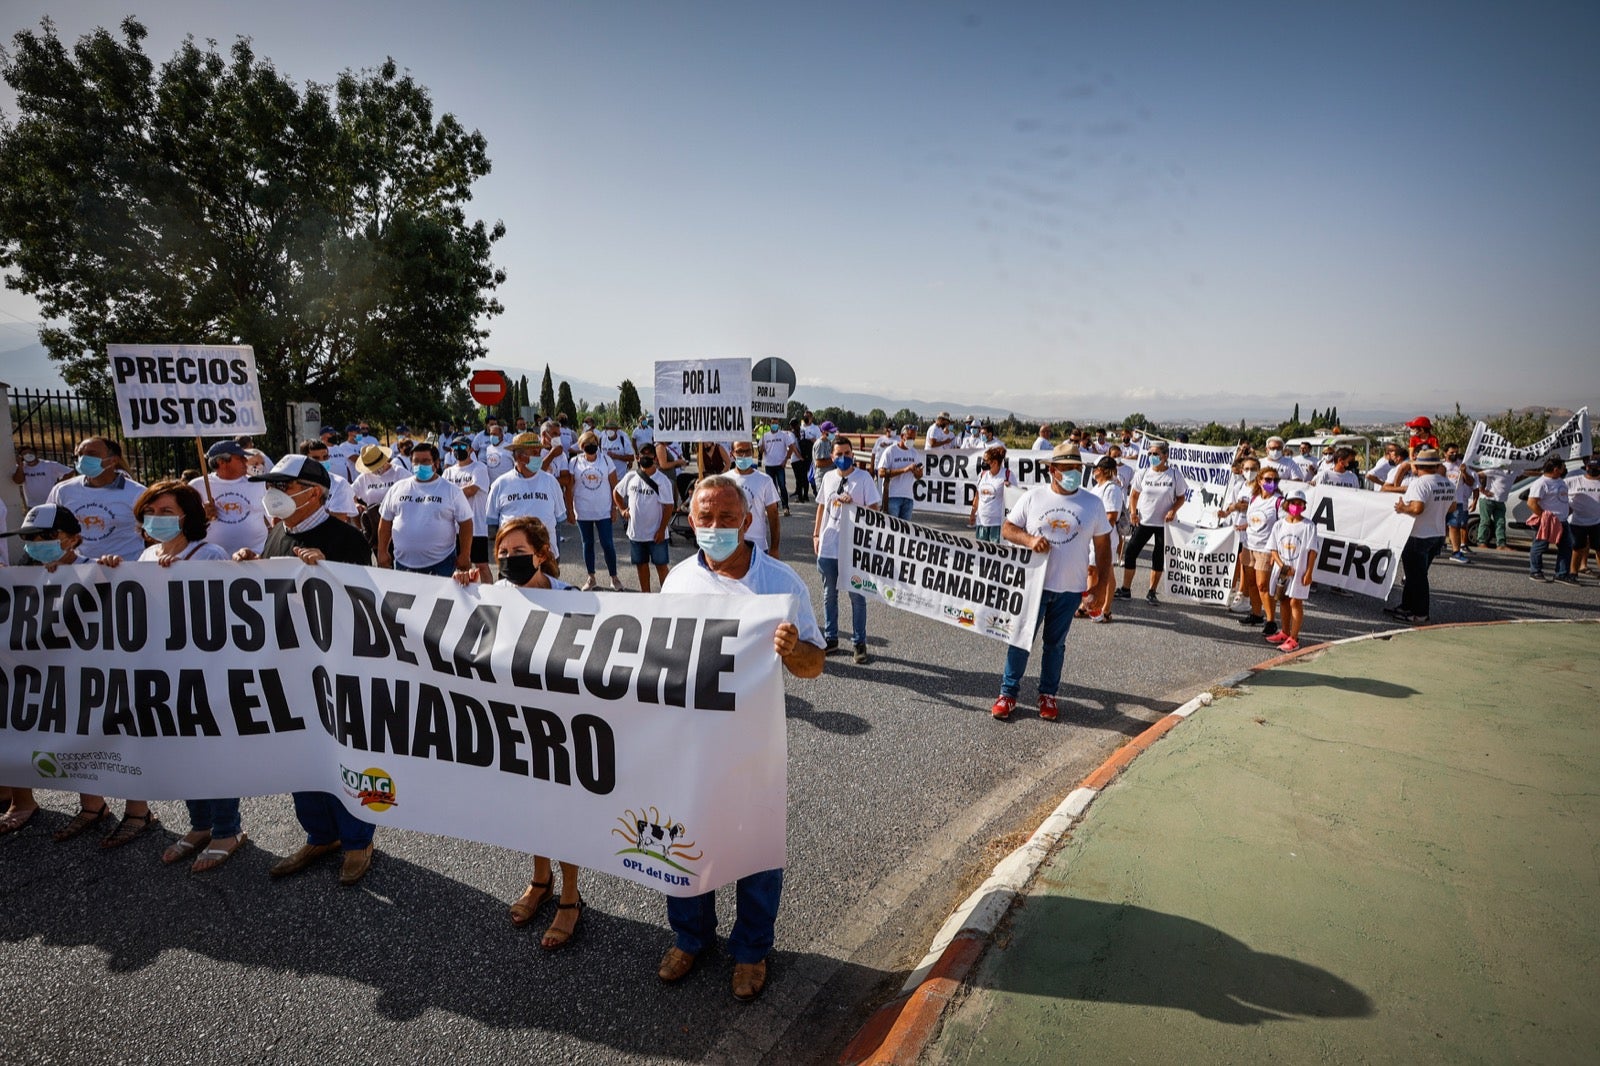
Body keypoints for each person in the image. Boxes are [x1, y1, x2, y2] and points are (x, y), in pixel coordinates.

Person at [656, 475, 825, 1002]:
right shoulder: (677, 581)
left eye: (727, 518)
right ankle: (690, 937)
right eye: (705, 518)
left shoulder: (780, 583)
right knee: (684, 843)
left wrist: (793, 649)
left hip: (754, 747)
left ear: (747, 521)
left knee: (756, 850)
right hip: (689, 745)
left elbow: (814, 666)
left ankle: (751, 950)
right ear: (691, 520)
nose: (715, 527)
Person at [235, 454, 379, 884]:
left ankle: (357, 839)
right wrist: (251, 565)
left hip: (334, 666)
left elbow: (366, 606)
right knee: (299, 751)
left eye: (282, 486)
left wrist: (329, 572)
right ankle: (321, 834)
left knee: (343, 752)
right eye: (269, 486)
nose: (271, 494)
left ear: (313, 493)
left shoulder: (346, 539)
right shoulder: (277, 534)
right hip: (288, 664)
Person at [455, 516, 587, 947]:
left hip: (562, 723)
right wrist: (462, 591)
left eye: (518, 551)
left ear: (542, 554)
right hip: (516, 722)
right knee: (531, 807)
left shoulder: (574, 599)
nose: (509, 559)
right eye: (503, 553)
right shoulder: (493, 597)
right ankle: (540, 880)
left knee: (563, 810)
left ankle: (570, 896)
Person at [99, 481, 246, 869]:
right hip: (163, 674)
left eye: (166, 511)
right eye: (150, 512)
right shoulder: (147, 554)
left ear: (187, 517)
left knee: (211, 752)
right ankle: (200, 825)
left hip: (205, 671)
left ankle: (227, 830)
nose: (157, 518)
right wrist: (114, 572)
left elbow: (223, 613)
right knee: (182, 752)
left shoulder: (209, 554)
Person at [990, 443, 1112, 721]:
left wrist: (1100, 586)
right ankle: (1008, 693)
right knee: (1021, 640)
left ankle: (1047, 695)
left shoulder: (1092, 504)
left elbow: (1103, 547)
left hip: (1070, 589)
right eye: (1067, 468)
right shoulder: (1034, 498)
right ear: (1052, 470)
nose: (1073, 473)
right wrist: (1030, 540)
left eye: (1077, 468)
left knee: (1055, 645)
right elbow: (1007, 529)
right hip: (1034, 587)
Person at [0, 505, 92, 836]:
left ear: (74, 538)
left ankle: (93, 805)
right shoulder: (21, 576)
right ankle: (21, 801)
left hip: (81, 672)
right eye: (29, 538)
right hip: (33, 672)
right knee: (14, 729)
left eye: (47, 536)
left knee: (84, 738)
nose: (37, 543)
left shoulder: (97, 568)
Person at [813, 437, 880, 663]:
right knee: (829, 594)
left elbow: (874, 509)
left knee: (857, 596)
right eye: (839, 454)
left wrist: (854, 506)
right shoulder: (828, 478)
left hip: (853, 547)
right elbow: (822, 506)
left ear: (853, 454)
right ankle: (831, 638)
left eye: (847, 453)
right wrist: (816, 535)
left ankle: (859, 642)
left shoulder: (863, 478)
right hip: (829, 546)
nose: (844, 458)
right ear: (832, 457)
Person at [377, 442, 474, 577]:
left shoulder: (451, 490)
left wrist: (465, 554)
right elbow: (385, 521)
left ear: (436, 464)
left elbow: (466, 523)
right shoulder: (397, 488)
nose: (420, 465)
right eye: (416, 461)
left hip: (442, 564)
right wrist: (382, 551)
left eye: (425, 461)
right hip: (403, 564)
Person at [45, 436, 147, 561]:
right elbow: (47, 526)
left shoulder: (138, 493)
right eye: (79, 455)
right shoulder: (62, 491)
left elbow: (151, 534)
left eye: (91, 454)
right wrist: (54, 557)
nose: (83, 459)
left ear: (113, 460)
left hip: (126, 566)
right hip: (80, 568)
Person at [1388, 447, 1455, 624]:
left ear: (1418, 466)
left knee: (1416, 577)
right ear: (1436, 466)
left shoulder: (1420, 483)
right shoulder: (1447, 483)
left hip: (1419, 535)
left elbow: (1417, 508)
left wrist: (1403, 508)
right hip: (1437, 534)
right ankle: (1406, 606)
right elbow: (1453, 507)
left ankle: (1420, 613)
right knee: (1416, 574)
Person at [1117, 442, 1187, 605]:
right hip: (1145, 521)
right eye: (1150, 454)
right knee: (1131, 552)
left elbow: (1181, 498)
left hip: (1164, 524)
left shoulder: (1174, 475)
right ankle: (1125, 589)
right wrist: (1133, 513)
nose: (1152, 457)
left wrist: (1173, 510)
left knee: (1158, 557)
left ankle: (1152, 592)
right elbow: (1134, 495)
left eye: (1156, 454)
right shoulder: (1143, 473)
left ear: (1165, 456)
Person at [487, 432, 570, 557]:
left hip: (545, 556)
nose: (539, 457)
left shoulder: (551, 481)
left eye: (539, 452)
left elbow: (559, 520)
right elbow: (492, 524)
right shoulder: (500, 484)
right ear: (520, 457)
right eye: (534, 453)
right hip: (513, 557)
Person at [190, 440, 269, 556]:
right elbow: (182, 525)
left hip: (255, 557)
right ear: (221, 462)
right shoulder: (197, 486)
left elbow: (276, 521)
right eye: (240, 458)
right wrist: (201, 517)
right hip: (211, 559)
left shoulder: (259, 484)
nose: (245, 461)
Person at [614, 445, 676, 591]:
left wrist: (661, 530)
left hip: (656, 534)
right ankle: (646, 596)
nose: (646, 458)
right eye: (643, 455)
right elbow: (616, 492)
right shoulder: (630, 477)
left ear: (655, 458)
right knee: (641, 566)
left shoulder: (662, 480)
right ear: (637, 458)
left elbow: (669, 506)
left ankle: (667, 595)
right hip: (636, 534)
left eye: (649, 455)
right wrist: (622, 510)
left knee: (661, 566)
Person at [1266, 487, 1320, 652]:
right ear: (1286, 504)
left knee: (1295, 601)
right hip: (1282, 570)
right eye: (1293, 503)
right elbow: (1273, 549)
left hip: (1300, 571)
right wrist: (1282, 566)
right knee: (1282, 599)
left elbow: (1312, 551)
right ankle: (1285, 632)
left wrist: (1309, 572)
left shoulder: (1308, 526)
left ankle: (1294, 638)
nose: (1296, 506)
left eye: (1300, 503)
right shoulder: (1279, 525)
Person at [571, 431, 623, 590]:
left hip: (603, 510)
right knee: (587, 544)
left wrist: (614, 508)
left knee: (607, 544)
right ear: (581, 446)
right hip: (583, 510)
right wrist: (569, 509)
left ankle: (614, 577)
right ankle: (591, 577)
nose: (591, 446)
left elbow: (615, 486)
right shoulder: (574, 462)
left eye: (594, 443)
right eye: (587, 444)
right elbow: (569, 486)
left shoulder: (606, 460)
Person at [444, 439, 492, 580]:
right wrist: (459, 491)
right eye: (455, 446)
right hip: (453, 528)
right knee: (461, 566)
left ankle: (489, 592)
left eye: (463, 446)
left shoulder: (479, 468)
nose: (458, 449)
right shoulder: (448, 472)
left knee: (481, 565)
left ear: (471, 449)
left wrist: (451, 493)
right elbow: (443, 495)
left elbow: (472, 490)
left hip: (476, 526)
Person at [1084, 455, 1124, 623]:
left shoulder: (1112, 489)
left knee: (1105, 572)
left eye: (1095, 468)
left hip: (1105, 537)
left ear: (1101, 469)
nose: (1093, 471)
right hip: (1094, 536)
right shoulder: (1097, 488)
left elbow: (1111, 516)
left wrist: (1097, 532)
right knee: (1092, 570)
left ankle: (1105, 609)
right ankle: (1089, 604)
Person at [730, 439, 782, 556]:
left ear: (753, 452)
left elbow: (773, 515)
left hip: (758, 546)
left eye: (748, 451)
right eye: (740, 451)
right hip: (730, 547)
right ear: (732, 453)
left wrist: (774, 548)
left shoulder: (765, 480)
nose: (744, 455)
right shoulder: (725, 480)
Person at [1526, 457, 1572, 583]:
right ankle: (1535, 571)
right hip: (1548, 521)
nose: (1564, 469)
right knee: (1540, 546)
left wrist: (1568, 509)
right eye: (1563, 467)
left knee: (1566, 547)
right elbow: (1531, 503)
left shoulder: (1561, 481)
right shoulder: (1541, 483)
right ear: (1556, 469)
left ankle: (1561, 574)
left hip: (1562, 520)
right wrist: (1544, 516)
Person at [1440, 443, 1477, 563]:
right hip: (1442, 500)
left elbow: (1471, 483)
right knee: (1439, 526)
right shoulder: (1440, 466)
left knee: (1454, 526)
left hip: (1457, 501)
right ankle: (1437, 547)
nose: (1454, 454)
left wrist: (1464, 472)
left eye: (1456, 452)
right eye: (1451, 452)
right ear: (1445, 453)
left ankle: (1456, 552)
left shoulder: (1462, 465)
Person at [878, 424, 923, 522]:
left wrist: (917, 473)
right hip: (892, 496)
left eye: (914, 438)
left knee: (905, 528)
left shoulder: (914, 453)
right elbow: (881, 472)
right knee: (892, 527)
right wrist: (904, 470)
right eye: (909, 438)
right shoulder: (891, 451)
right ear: (902, 436)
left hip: (908, 497)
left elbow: (919, 476)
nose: (912, 441)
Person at [969, 443, 1011, 543]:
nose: (983, 463)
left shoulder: (1007, 475)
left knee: (996, 550)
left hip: (997, 523)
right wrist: (972, 513)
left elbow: (1014, 498)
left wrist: (1009, 487)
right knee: (981, 549)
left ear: (995, 462)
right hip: (981, 521)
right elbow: (977, 496)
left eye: (986, 460)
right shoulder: (982, 474)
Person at [1565, 456, 1600, 577]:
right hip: (1576, 522)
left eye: (1597, 467)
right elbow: (1557, 492)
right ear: (1586, 467)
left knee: (1599, 549)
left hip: (1597, 522)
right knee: (1577, 548)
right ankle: (1573, 573)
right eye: (1591, 467)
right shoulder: (1573, 481)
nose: (1593, 469)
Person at [758, 420, 798, 515]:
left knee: (782, 486)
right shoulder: (765, 436)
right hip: (769, 465)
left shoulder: (783, 435)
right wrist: (761, 447)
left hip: (780, 465)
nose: (774, 425)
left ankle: (785, 507)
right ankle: (773, 507)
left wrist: (786, 460)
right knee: (771, 488)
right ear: (770, 424)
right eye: (773, 423)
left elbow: (791, 447)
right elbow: (760, 450)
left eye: (776, 423)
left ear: (778, 424)